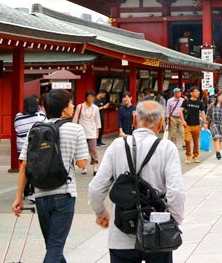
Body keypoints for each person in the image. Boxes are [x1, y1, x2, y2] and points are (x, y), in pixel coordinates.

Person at [88, 100, 185, 263]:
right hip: (157, 230)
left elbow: (96, 188)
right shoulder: (167, 148)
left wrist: (100, 212)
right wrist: (174, 221)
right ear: (161, 122)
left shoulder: (117, 146)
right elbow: (176, 192)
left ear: (134, 120)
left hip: (122, 229)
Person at [12, 90, 89, 261]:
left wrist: (18, 197)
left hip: (40, 195)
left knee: (53, 246)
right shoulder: (76, 129)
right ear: (63, 109)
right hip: (64, 194)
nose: (73, 106)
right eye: (70, 103)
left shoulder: (36, 129)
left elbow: (24, 164)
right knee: (55, 246)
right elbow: (82, 163)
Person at [14, 95, 47, 199]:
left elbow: (17, 128)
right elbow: (46, 129)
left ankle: (26, 192)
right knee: (35, 168)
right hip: (35, 146)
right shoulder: (40, 116)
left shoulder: (18, 116)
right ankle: (33, 191)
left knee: (24, 168)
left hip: (21, 146)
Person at [73, 90, 102, 175]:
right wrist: (74, 129)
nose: (91, 99)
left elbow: (97, 121)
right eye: (89, 97)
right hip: (81, 132)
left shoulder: (95, 108)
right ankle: (84, 167)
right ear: (86, 97)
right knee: (83, 151)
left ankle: (95, 168)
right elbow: (75, 118)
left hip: (92, 132)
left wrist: (97, 131)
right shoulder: (80, 106)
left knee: (93, 150)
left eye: (93, 97)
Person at [182, 87, 207, 164]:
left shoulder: (199, 103)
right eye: (196, 91)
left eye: (198, 91)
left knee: (196, 142)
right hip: (187, 125)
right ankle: (188, 155)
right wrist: (183, 120)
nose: (198, 93)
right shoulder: (186, 101)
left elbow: (203, 113)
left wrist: (205, 123)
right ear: (191, 93)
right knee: (187, 140)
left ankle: (195, 155)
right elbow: (180, 111)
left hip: (196, 125)